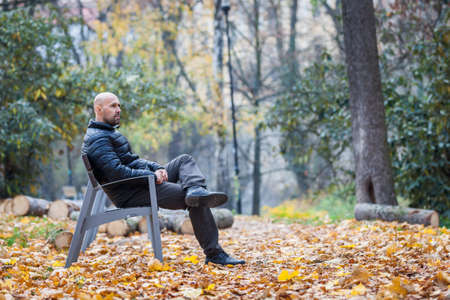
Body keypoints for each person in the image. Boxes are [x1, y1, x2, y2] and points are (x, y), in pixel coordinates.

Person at [81, 92, 245, 265]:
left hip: (138, 184)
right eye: (113, 106)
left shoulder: (106, 133)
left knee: (184, 161)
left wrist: (156, 168)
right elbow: (117, 173)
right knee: (197, 201)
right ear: (98, 109)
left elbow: (133, 160)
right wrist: (151, 176)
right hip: (130, 192)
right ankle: (214, 254)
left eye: (119, 106)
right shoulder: (98, 139)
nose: (118, 110)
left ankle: (195, 188)